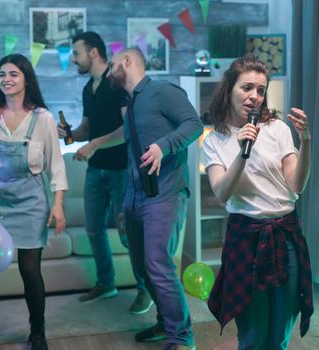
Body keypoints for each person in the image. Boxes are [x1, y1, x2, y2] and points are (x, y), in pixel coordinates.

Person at [203, 57, 314, 350]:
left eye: (261, 90)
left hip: (285, 235)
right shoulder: (214, 140)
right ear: (229, 89)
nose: (255, 96)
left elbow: (296, 185)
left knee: (280, 332)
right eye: (247, 87)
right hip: (246, 238)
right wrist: (242, 152)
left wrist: (306, 141)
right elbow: (222, 193)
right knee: (253, 333)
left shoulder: (277, 129)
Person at [106, 48, 202, 350]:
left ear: (127, 62)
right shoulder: (131, 103)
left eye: (111, 66)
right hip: (136, 199)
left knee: (158, 264)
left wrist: (163, 146)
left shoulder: (162, 91)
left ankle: (182, 338)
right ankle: (164, 323)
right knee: (143, 267)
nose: (108, 73)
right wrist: (125, 202)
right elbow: (133, 159)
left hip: (165, 195)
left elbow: (194, 125)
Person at [0, 54, 67, 350]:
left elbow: (56, 165)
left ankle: (38, 331)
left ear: (26, 78)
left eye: (13, 74)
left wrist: (58, 205)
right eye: (2, 74)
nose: (6, 79)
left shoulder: (42, 117)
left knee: (30, 270)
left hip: (32, 201)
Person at [58, 32, 151, 313]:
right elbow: (86, 129)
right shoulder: (89, 89)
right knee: (94, 229)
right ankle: (106, 283)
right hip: (95, 171)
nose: (73, 59)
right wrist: (70, 134)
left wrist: (95, 144)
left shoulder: (117, 85)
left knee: (129, 234)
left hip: (122, 170)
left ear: (94, 53)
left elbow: (127, 130)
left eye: (76, 53)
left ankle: (146, 290)